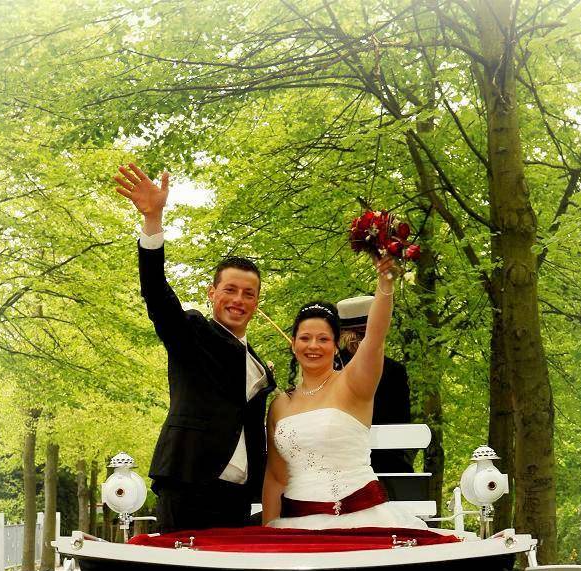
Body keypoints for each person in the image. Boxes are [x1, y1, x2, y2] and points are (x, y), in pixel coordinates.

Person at [113, 163, 275, 532]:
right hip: (188, 482)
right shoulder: (192, 332)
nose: (238, 300)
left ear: (257, 302)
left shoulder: (259, 363)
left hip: (240, 497)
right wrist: (153, 219)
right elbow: (156, 292)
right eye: (230, 290)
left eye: (249, 294)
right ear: (212, 293)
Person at [263, 257, 430, 531]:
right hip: (295, 524)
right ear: (293, 344)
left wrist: (385, 281)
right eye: (305, 338)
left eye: (323, 339)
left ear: (335, 343)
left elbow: (375, 337)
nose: (313, 346)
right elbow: (276, 477)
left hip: (359, 518)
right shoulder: (280, 404)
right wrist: (269, 532)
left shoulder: (353, 384)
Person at [337, 295, 414, 475]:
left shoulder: (327, 367)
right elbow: (402, 422)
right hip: (388, 466)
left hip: (338, 465)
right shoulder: (394, 370)